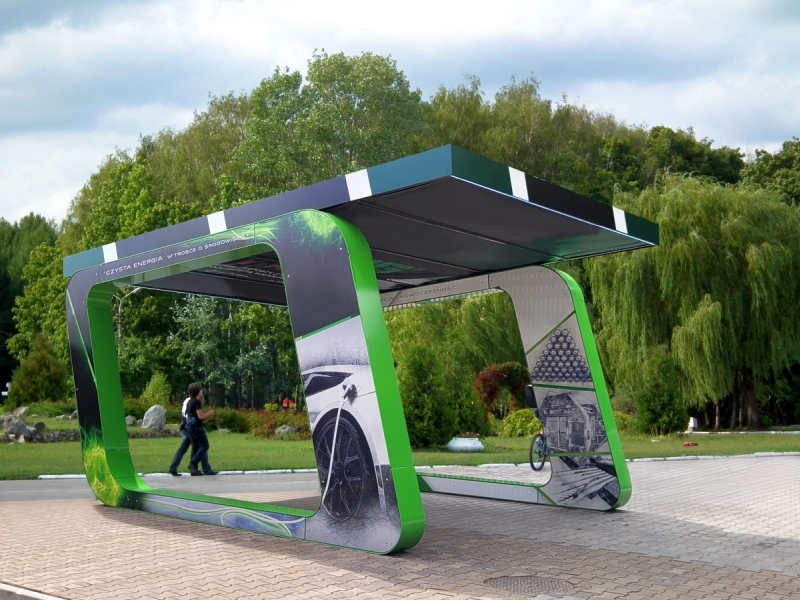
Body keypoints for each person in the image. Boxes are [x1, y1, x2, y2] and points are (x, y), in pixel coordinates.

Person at [184, 383, 218, 476]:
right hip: (196, 427)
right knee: (205, 445)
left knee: (195, 447)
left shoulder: (190, 401)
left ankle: (194, 470)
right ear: (198, 392)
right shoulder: (197, 402)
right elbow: (200, 416)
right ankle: (193, 464)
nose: (202, 391)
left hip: (189, 426)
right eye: (201, 390)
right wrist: (210, 413)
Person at [168, 394, 199, 476]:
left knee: (183, 449)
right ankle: (196, 468)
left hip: (185, 426)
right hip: (191, 426)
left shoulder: (186, 400)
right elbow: (191, 415)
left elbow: (183, 414)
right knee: (199, 446)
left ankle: (173, 467)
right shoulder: (193, 401)